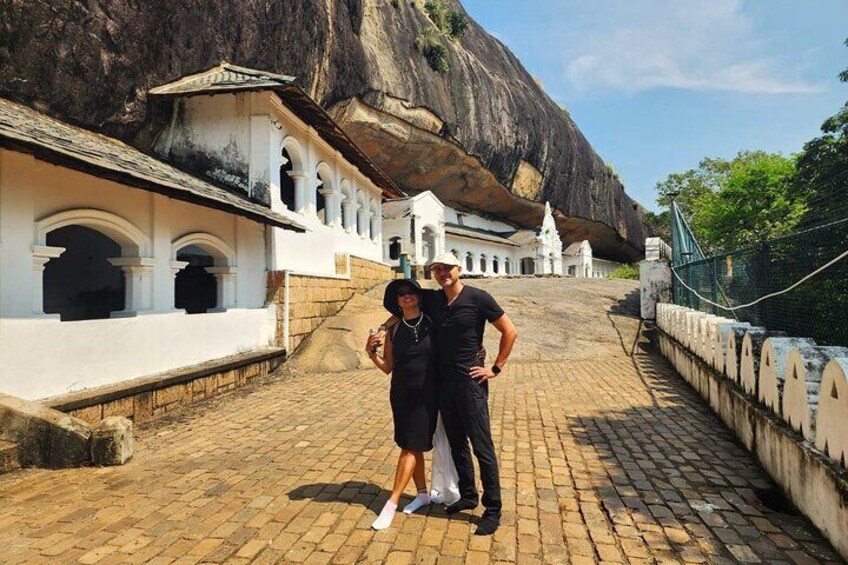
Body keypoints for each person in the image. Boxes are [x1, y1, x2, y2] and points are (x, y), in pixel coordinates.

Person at [422, 252, 518, 536]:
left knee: (482, 447)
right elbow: (403, 304)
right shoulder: (435, 300)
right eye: (437, 269)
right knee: (456, 444)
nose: (442, 273)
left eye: (447, 268)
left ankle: (493, 509)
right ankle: (468, 495)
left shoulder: (479, 298)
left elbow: (509, 331)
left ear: (458, 269)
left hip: (470, 383)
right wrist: (382, 330)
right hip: (443, 383)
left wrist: (495, 368)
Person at [364, 279, 438, 531]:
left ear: (418, 296)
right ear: (396, 302)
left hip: (428, 395)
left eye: (410, 292)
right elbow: (388, 368)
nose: (406, 296)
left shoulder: (431, 321)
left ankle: (391, 503)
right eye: (401, 294)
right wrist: (372, 354)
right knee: (411, 444)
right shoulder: (394, 330)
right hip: (401, 395)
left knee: (409, 446)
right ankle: (422, 494)